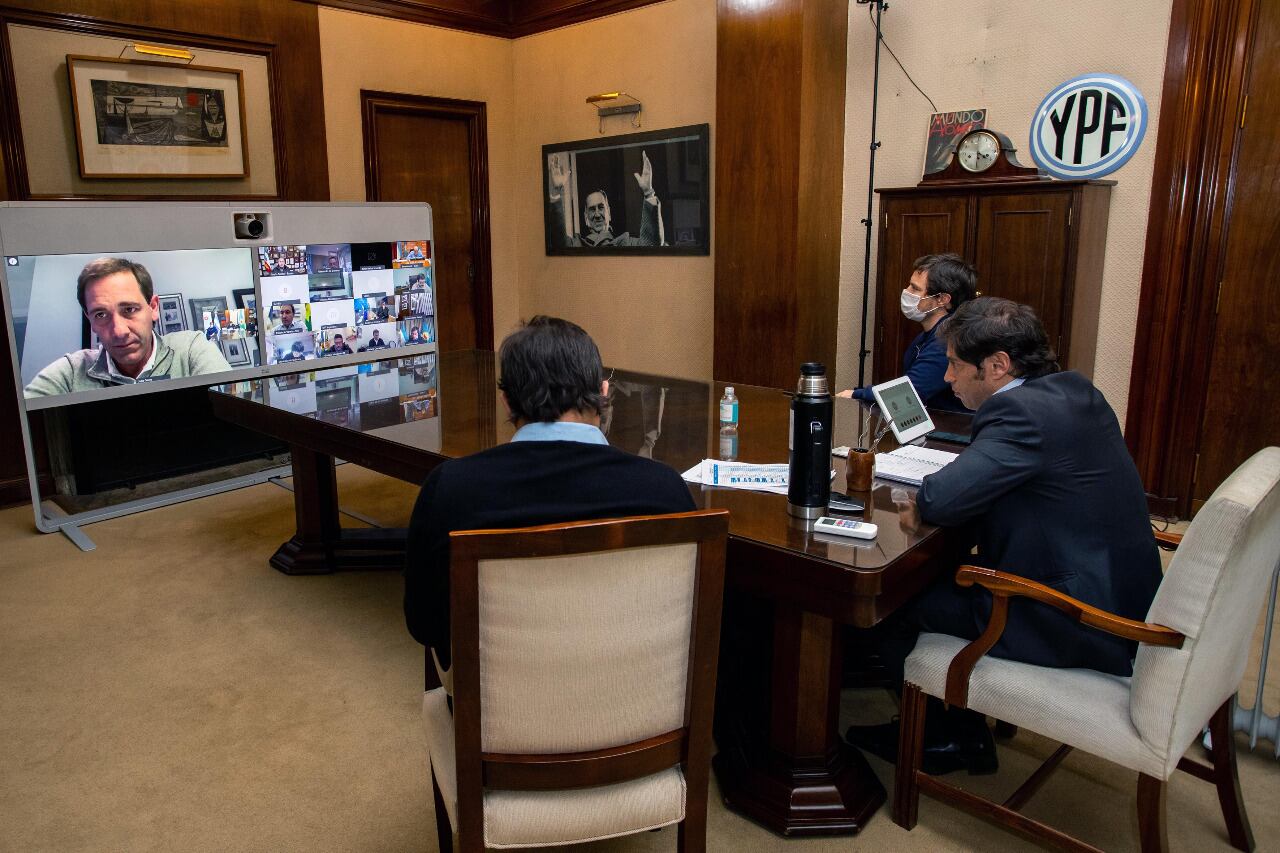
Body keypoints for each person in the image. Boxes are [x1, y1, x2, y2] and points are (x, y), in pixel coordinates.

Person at [846, 297, 1162, 773]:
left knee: (891, 600)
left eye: (955, 365)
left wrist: (928, 503)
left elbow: (942, 500)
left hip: (1070, 614)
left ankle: (949, 738)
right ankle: (941, 713)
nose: (948, 379)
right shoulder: (1074, 390)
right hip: (1116, 590)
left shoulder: (1018, 414)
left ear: (997, 366)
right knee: (935, 573)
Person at [404, 316, 696, 675]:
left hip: (500, 717)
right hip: (637, 702)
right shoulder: (664, 490)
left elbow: (424, 624)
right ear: (604, 393)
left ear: (507, 402)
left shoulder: (450, 489)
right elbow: (688, 617)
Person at [24, 257, 231, 397]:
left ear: (153, 308)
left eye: (129, 309)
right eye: (101, 314)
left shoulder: (190, 349)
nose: (119, 331)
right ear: (91, 321)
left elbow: (234, 413)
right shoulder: (70, 372)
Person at [838, 253, 977, 412]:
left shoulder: (949, 339)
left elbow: (910, 391)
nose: (907, 291)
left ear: (942, 299)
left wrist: (857, 394)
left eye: (915, 288)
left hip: (952, 431)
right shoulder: (928, 334)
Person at [546, 150, 662, 248]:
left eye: (601, 208)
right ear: (586, 218)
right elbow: (557, 242)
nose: (597, 215)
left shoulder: (625, 243)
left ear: (609, 213)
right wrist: (556, 192)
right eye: (592, 209)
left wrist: (648, 193)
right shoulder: (576, 244)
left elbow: (651, 244)